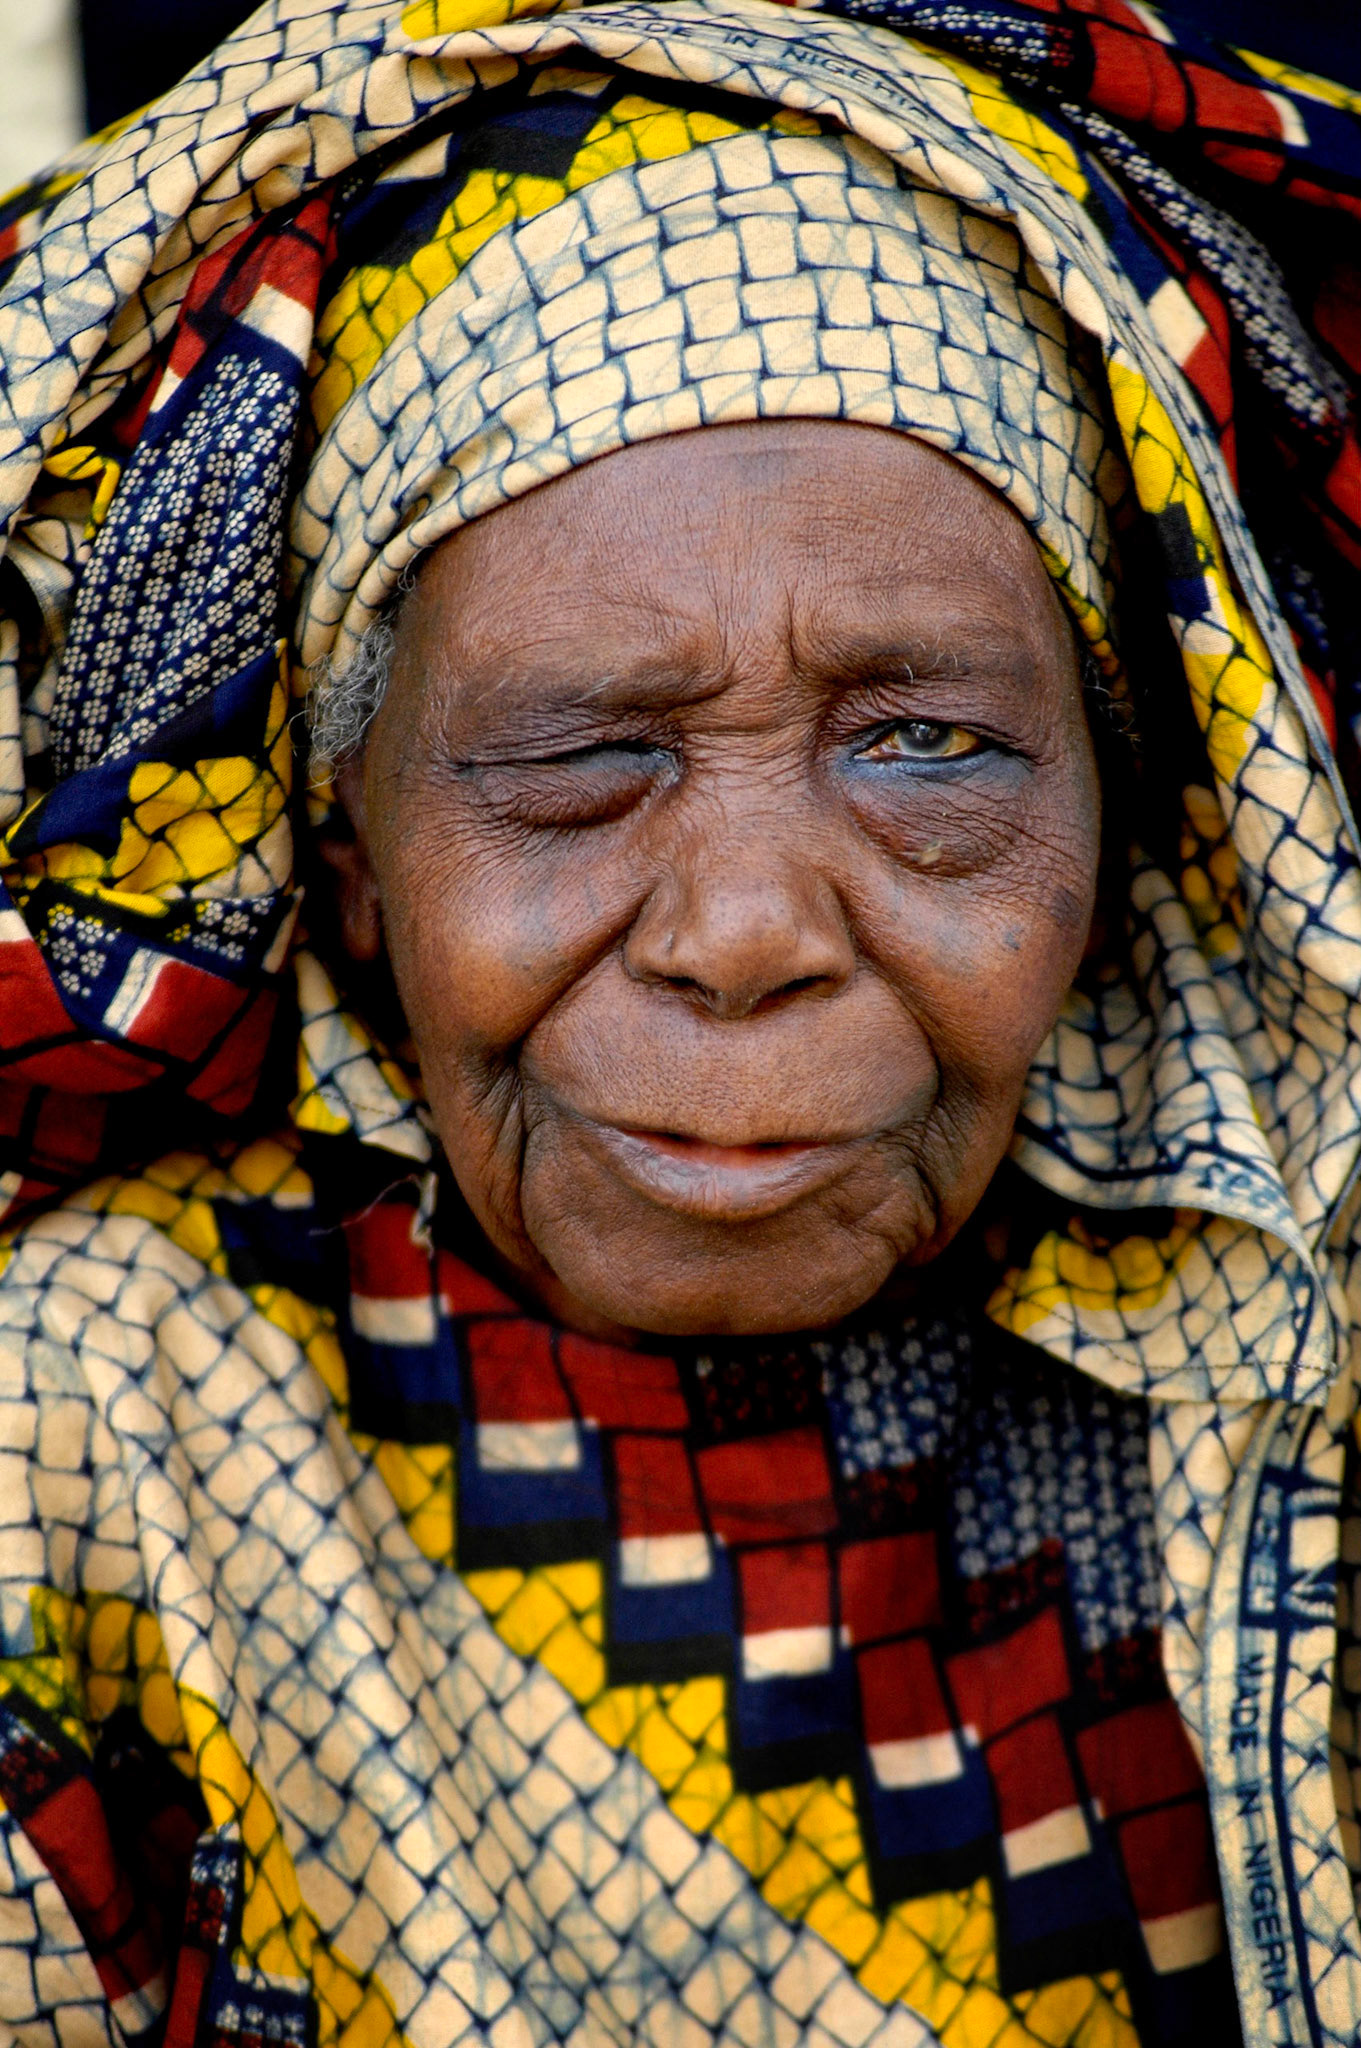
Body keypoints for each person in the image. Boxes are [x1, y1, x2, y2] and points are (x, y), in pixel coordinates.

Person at [0, 3, 1357, 2045]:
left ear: (1124, 820)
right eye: (576, 758)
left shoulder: (1294, 1366)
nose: (742, 934)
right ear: (345, 849)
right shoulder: (93, 1430)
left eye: (924, 746)